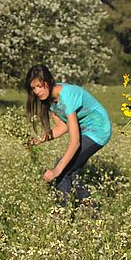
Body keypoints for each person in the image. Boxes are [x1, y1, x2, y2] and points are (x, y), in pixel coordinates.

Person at [25, 64, 112, 208]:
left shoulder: (67, 96)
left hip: (98, 128)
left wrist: (56, 170)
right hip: (86, 130)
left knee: (63, 170)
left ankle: (63, 214)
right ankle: (94, 214)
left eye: (39, 86)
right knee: (73, 173)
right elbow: (62, 127)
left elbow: (75, 142)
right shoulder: (49, 101)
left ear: (47, 81)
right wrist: (38, 140)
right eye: (33, 88)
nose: (37, 91)